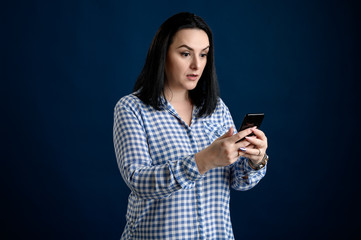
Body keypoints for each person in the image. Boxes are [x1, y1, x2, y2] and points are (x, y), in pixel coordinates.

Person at [113, 12, 269, 239]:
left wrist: (256, 159)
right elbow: (139, 181)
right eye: (185, 53)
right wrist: (204, 159)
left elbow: (237, 180)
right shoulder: (131, 108)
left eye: (204, 54)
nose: (197, 64)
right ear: (162, 54)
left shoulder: (216, 107)